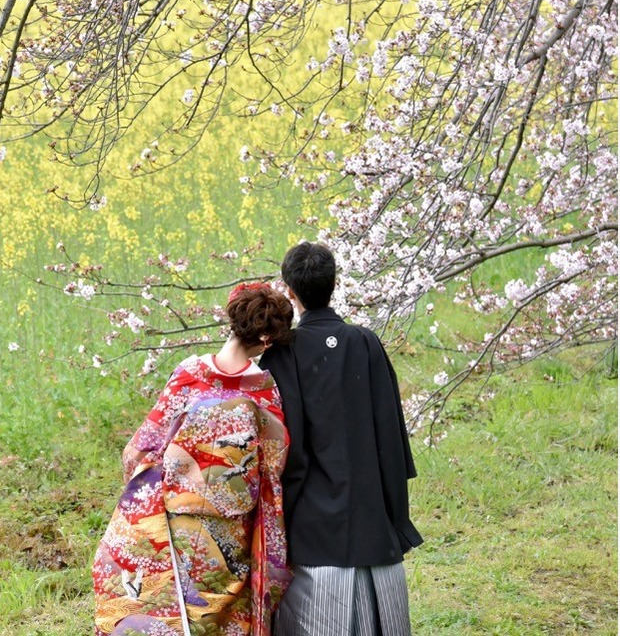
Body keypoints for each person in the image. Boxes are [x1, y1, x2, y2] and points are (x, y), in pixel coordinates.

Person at [93, 282, 295, 636]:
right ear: (266, 340)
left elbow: (141, 448)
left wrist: (152, 484)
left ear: (232, 323)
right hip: (232, 528)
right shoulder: (264, 390)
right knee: (223, 618)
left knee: (173, 611)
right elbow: (274, 463)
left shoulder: (189, 374)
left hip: (177, 518)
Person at [260, 242, 423, 636]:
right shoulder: (365, 343)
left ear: (290, 291)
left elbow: (286, 455)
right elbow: (391, 438)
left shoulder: (283, 355)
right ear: (335, 283)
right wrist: (395, 519)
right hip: (374, 528)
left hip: (314, 539)